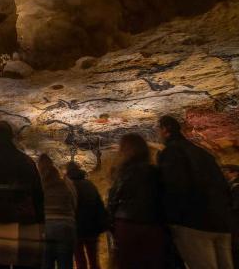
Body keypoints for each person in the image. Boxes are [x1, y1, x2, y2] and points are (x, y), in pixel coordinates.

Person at [156, 115, 233, 269]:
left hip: (194, 223)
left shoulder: (171, 153)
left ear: (165, 129)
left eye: (157, 129)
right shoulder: (203, 153)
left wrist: (171, 220)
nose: (157, 133)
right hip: (221, 222)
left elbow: (173, 188)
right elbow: (224, 185)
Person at [0, 121, 45, 269]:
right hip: (23, 223)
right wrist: (41, 224)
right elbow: (38, 195)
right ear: (11, 136)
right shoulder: (25, 161)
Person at [107, 133, 166, 269]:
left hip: (127, 226)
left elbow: (114, 199)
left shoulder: (122, 173)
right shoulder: (156, 171)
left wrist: (111, 224)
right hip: (154, 225)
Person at [65, 161, 107, 269]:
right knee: (94, 261)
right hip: (92, 229)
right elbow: (99, 206)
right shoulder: (90, 185)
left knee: (80, 261)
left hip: (76, 230)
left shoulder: (68, 187)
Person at [38, 154, 77, 269]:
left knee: (46, 264)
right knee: (65, 264)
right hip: (66, 226)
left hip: (46, 227)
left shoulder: (39, 184)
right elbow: (74, 202)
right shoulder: (66, 182)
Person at [221, 164, 239, 269]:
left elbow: (235, 206)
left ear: (235, 173)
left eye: (226, 171)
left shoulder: (236, 186)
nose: (224, 173)